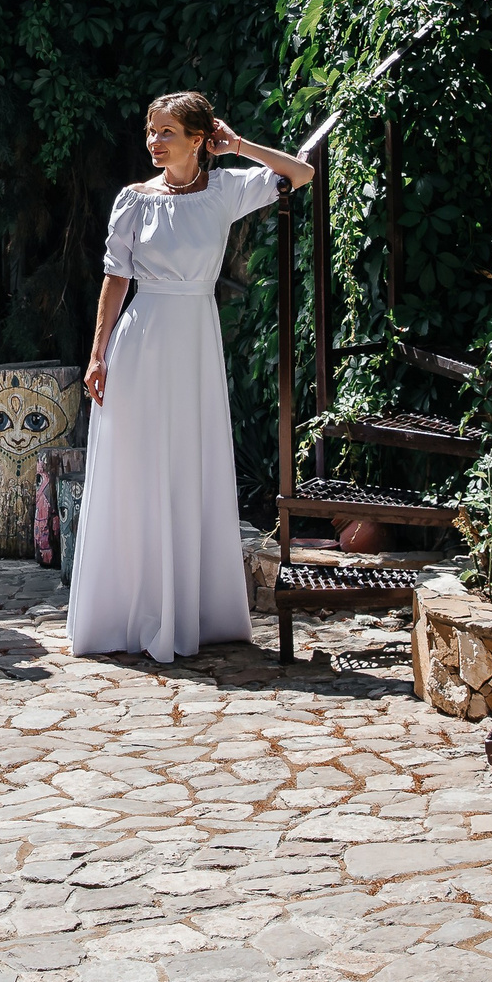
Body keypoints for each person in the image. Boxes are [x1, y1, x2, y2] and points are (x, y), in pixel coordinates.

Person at [66, 92, 315, 663]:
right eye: (151, 132)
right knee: (138, 468)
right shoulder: (133, 200)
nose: (154, 142)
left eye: (167, 133)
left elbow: (300, 173)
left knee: (189, 464)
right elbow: (114, 280)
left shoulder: (226, 190)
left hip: (195, 342)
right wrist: (98, 353)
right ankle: (130, 610)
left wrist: (241, 145)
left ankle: (195, 611)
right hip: (141, 342)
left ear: (199, 138)